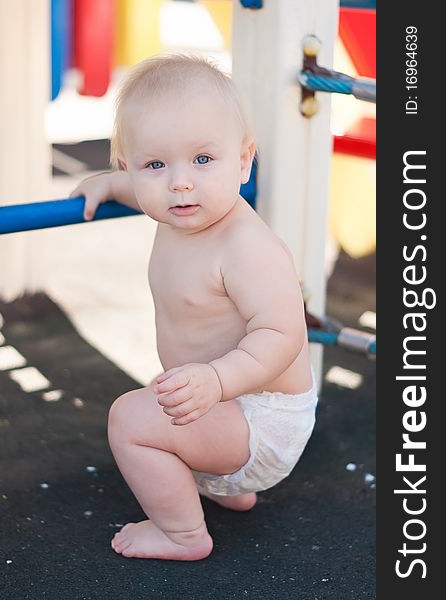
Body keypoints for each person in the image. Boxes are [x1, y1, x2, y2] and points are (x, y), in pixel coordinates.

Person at [70, 54, 318, 561]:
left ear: (244, 161)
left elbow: (281, 335)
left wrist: (218, 381)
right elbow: (138, 191)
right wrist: (105, 184)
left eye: (203, 160)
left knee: (132, 420)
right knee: (168, 405)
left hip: (259, 415)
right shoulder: (180, 205)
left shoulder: (246, 247)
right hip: (223, 408)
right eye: (155, 164)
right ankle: (227, 485)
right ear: (131, 167)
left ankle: (182, 534)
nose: (179, 182)